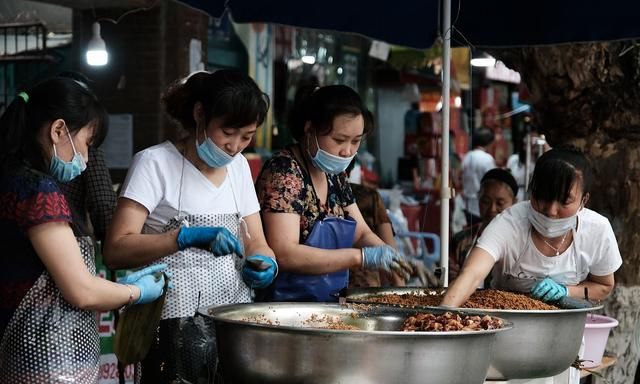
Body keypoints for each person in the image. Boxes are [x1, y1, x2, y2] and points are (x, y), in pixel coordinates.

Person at [103, 69, 278, 383]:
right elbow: (115, 249)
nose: (235, 146)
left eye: (247, 136)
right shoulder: (154, 164)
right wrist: (183, 238)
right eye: (228, 131)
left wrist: (267, 263)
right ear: (200, 114)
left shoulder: (239, 168)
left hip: (233, 324)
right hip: (171, 329)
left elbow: (256, 242)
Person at [0, 77, 167, 383]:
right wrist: (137, 292)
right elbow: (82, 291)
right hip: (49, 361)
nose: (88, 159)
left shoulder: (9, 178)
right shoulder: (38, 191)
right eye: (88, 144)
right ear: (58, 130)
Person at [255, 84, 422, 303]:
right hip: (285, 308)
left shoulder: (335, 175)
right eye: (339, 140)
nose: (348, 151)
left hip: (328, 305)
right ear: (309, 130)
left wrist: (394, 258)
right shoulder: (285, 172)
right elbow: (284, 252)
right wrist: (360, 257)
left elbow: (361, 233)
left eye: (356, 141)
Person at [442, 145, 622, 305]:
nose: (551, 210)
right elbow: (472, 274)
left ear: (584, 200)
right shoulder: (509, 223)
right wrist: (443, 316)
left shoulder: (597, 230)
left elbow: (604, 286)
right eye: (542, 197)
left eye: (564, 201)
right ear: (531, 189)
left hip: (566, 332)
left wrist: (567, 291)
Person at [449, 168, 518, 281]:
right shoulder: (460, 240)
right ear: (478, 199)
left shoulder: (521, 242)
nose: (492, 209)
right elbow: (441, 273)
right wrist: (449, 275)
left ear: (514, 203)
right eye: (485, 201)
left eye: (500, 203)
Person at [461, 127, 496, 226]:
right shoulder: (487, 159)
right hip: (481, 203)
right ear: (488, 142)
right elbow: (492, 181)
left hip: (468, 203)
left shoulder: (467, 156)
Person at [506, 130, 550, 201]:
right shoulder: (514, 159)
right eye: (529, 142)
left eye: (535, 141)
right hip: (516, 196)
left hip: (535, 197)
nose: (533, 144)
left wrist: (545, 146)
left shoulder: (543, 161)